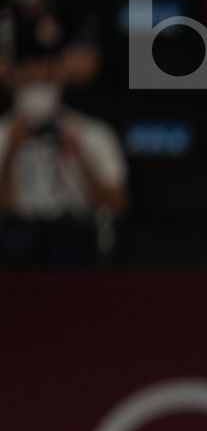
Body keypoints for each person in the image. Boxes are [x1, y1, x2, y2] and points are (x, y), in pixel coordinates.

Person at [0, 40, 126, 267]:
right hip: (14, 250)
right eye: (30, 81)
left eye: (45, 81)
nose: (37, 91)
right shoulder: (2, 136)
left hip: (75, 244)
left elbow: (117, 205)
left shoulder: (92, 134)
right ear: (14, 81)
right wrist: (11, 153)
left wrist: (81, 157)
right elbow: (5, 209)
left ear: (60, 82)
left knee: (70, 238)